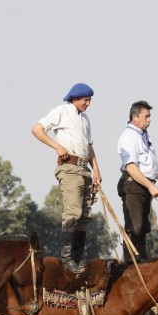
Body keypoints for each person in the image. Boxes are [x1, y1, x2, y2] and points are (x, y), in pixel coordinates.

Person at [32, 83, 102, 273]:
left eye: (89, 100)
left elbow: (89, 146)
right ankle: (67, 259)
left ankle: (78, 259)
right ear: (75, 98)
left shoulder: (85, 119)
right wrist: (57, 147)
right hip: (69, 167)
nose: (88, 103)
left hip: (84, 168)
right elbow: (37, 129)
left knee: (85, 216)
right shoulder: (61, 111)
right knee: (73, 212)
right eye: (85, 100)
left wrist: (96, 170)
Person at [117, 100, 158, 262]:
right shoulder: (129, 137)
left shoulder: (143, 136)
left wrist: (156, 175)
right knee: (135, 227)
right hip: (133, 185)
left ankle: (142, 261)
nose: (149, 120)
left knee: (143, 228)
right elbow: (131, 167)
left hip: (143, 185)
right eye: (147, 116)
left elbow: (142, 163)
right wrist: (150, 186)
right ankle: (131, 264)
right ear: (135, 117)